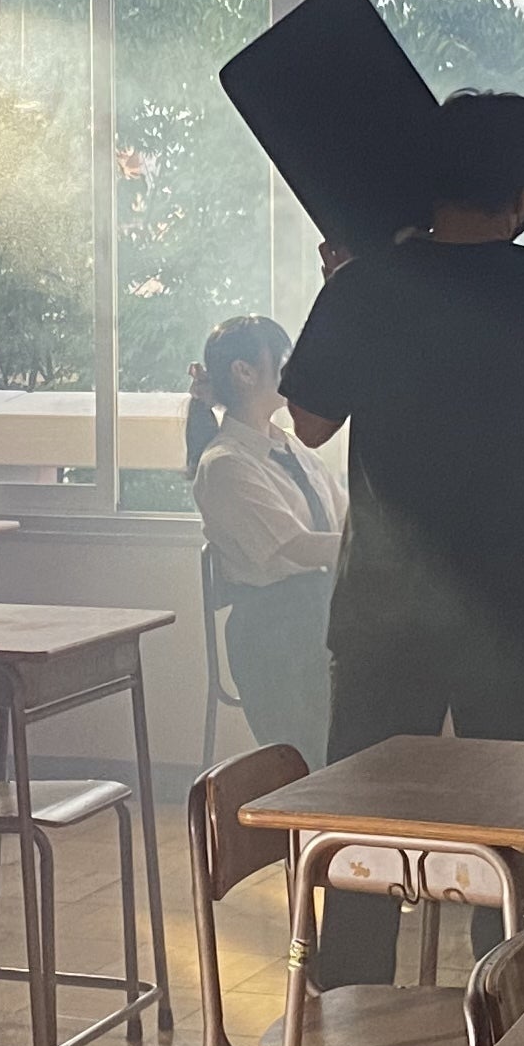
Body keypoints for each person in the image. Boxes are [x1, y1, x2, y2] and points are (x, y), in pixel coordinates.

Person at [279, 89, 524, 986]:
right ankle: (514, 1006)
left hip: (387, 603)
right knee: (510, 831)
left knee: (363, 829)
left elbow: (309, 423)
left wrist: (353, 284)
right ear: (523, 193)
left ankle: (346, 1015)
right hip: (512, 600)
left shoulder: (366, 288)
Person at [186, 312, 344, 770]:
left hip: (322, 613)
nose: (294, 370)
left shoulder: (289, 446)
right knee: (315, 765)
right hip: (278, 633)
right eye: (284, 359)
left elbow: (343, 515)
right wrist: (376, 548)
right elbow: (295, 547)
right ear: (244, 372)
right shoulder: (225, 463)